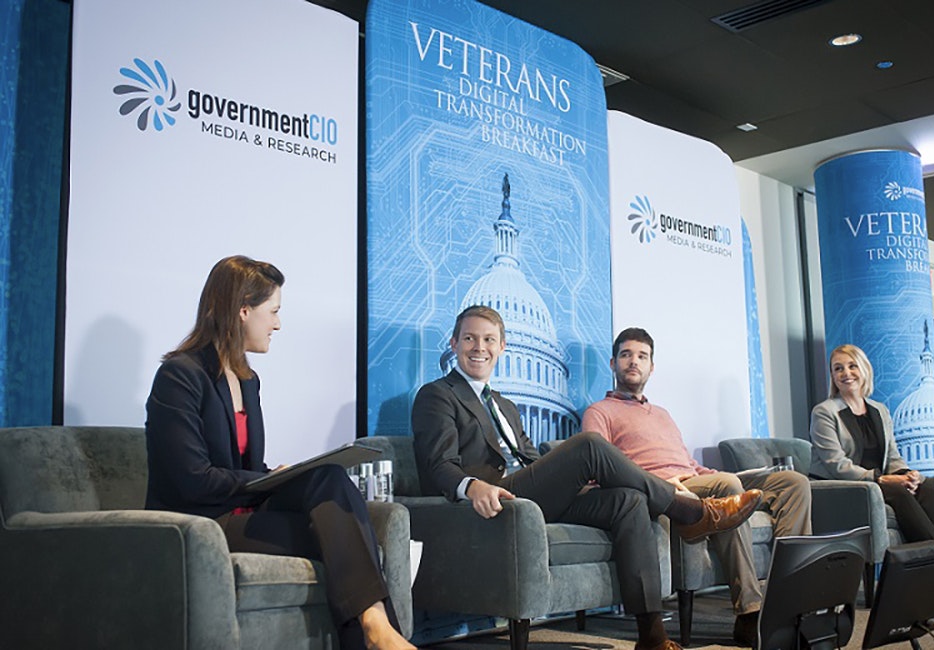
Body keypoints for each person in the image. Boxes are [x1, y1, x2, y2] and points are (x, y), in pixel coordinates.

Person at [411, 305, 763, 650]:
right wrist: (471, 486)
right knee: (590, 446)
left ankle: (652, 637)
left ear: (502, 347)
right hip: (497, 498)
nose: (479, 347)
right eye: (469, 338)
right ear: (454, 343)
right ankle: (691, 513)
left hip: (532, 498)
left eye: (489, 339)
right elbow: (439, 465)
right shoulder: (438, 395)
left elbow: (532, 459)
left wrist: (575, 479)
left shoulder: (505, 405)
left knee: (630, 499)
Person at [144, 255, 414, 650]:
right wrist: (266, 481)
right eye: (273, 312)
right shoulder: (179, 376)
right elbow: (192, 479)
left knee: (329, 478)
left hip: (241, 511)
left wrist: (281, 475)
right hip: (202, 524)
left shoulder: (247, 380)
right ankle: (378, 633)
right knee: (349, 539)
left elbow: (244, 467)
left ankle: (376, 630)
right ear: (242, 311)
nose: (278, 324)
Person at [582, 327, 812, 647]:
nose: (634, 361)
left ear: (652, 366)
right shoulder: (599, 412)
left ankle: (790, 598)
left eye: (642, 356)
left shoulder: (662, 414)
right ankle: (750, 614)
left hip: (697, 479)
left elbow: (686, 462)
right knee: (728, 485)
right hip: (661, 490)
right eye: (626, 355)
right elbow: (599, 472)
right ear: (613, 363)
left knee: (793, 482)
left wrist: (711, 472)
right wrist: (662, 483)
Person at [810, 344, 934, 610]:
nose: (845, 373)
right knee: (897, 492)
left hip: (881, 485)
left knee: (929, 489)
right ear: (832, 376)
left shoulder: (879, 410)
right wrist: (883, 480)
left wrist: (907, 474)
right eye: (838, 368)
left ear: (864, 370)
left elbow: (893, 455)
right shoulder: (824, 412)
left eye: (851, 366)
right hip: (846, 489)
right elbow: (836, 465)